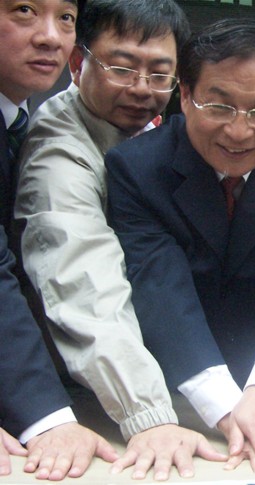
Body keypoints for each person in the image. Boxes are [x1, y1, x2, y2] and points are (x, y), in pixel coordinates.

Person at [105, 19, 255, 475]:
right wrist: (230, 412)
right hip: (174, 389)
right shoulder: (137, 167)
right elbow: (161, 288)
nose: (239, 131)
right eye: (219, 105)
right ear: (185, 96)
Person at [14, 0, 226, 480]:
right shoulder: (59, 154)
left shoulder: (155, 133)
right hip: (88, 393)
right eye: (122, 68)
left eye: (160, 74)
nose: (142, 89)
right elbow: (84, 281)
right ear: (77, 62)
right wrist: (149, 414)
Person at [0, 0, 118, 480]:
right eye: (24, 10)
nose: (50, 36)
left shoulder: (24, 119)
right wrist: (48, 419)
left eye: (65, 17)